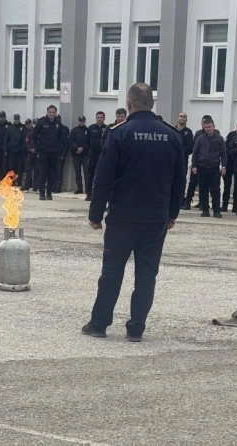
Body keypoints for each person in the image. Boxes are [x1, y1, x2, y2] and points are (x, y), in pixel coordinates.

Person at [83, 83, 185, 342]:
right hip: (155, 219)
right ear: (151, 103)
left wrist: (95, 213)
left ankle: (99, 324)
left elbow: (103, 178)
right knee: (147, 275)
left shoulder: (119, 133)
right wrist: (172, 213)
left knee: (112, 273)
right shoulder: (172, 135)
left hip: (123, 218)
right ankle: (136, 328)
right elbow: (178, 181)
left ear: (129, 104)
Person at [191, 117, 227, 218]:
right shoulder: (200, 138)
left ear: (213, 126)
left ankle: (216, 210)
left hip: (214, 168)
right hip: (202, 167)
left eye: (209, 127)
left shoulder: (219, 139)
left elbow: (223, 153)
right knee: (203, 190)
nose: (208, 129)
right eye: (206, 127)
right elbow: (195, 153)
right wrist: (194, 165)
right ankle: (205, 210)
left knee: (215, 190)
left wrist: (224, 166)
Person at [32, 105, 65, 201]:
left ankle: (49, 193)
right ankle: (42, 193)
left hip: (54, 152)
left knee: (52, 173)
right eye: (50, 112)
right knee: (43, 172)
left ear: (56, 113)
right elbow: (34, 135)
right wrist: (37, 147)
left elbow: (62, 137)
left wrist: (58, 148)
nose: (51, 114)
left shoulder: (58, 123)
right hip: (43, 151)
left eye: (53, 112)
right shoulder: (41, 122)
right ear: (47, 112)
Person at [182, 115, 212, 210]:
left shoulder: (215, 134)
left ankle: (203, 203)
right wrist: (194, 163)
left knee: (205, 185)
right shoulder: (198, 133)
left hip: (208, 163)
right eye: (203, 123)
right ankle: (187, 202)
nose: (204, 125)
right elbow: (194, 148)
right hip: (197, 162)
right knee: (192, 183)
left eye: (206, 123)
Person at [222, 121, 237, 211]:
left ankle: (236, 206)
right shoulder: (231, 135)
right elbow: (226, 149)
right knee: (227, 185)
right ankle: (224, 205)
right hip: (230, 163)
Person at [85, 112, 106, 200]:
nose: (99, 119)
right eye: (98, 117)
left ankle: (100, 195)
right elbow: (87, 141)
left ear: (104, 118)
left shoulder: (107, 128)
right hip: (93, 156)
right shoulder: (91, 128)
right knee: (90, 175)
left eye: (101, 117)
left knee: (102, 176)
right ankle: (89, 194)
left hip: (103, 156)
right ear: (96, 118)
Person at [69, 115, 89, 194]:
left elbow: (88, 141)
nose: (81, 122)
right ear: (78, 121)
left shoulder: (88, 130)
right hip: (76, 154)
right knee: (77, 172)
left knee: (86, 172)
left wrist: (82, 148)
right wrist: (77, 148)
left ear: (85, 121)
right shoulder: (74, 130)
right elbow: (71, 141)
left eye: (83, 121)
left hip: (85, 154)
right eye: (80, 121)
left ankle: (87, 188)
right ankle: (79, 187)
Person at [4, 113, 26, 185]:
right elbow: (6, 139)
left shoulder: (23, 127)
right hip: (11, 151)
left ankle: (19, 182)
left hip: (19, 151)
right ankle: (12, 181)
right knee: (11, 167)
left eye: (18, 119)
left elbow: (24, 139)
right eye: (15, 119)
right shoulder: (10, 128)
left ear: (19, 119)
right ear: (14, 119)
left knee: (19, 167)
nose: (17, 120)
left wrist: (22, 148)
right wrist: (5, 149)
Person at [55, 118, 70, 194]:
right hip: (52, 153)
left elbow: (66, 144)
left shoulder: (64, 129)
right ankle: (52, 186)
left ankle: (58, 187)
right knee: (52, 171)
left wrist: (63, 154)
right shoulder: (52, 128)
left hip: (60, 154)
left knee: (59, 170)